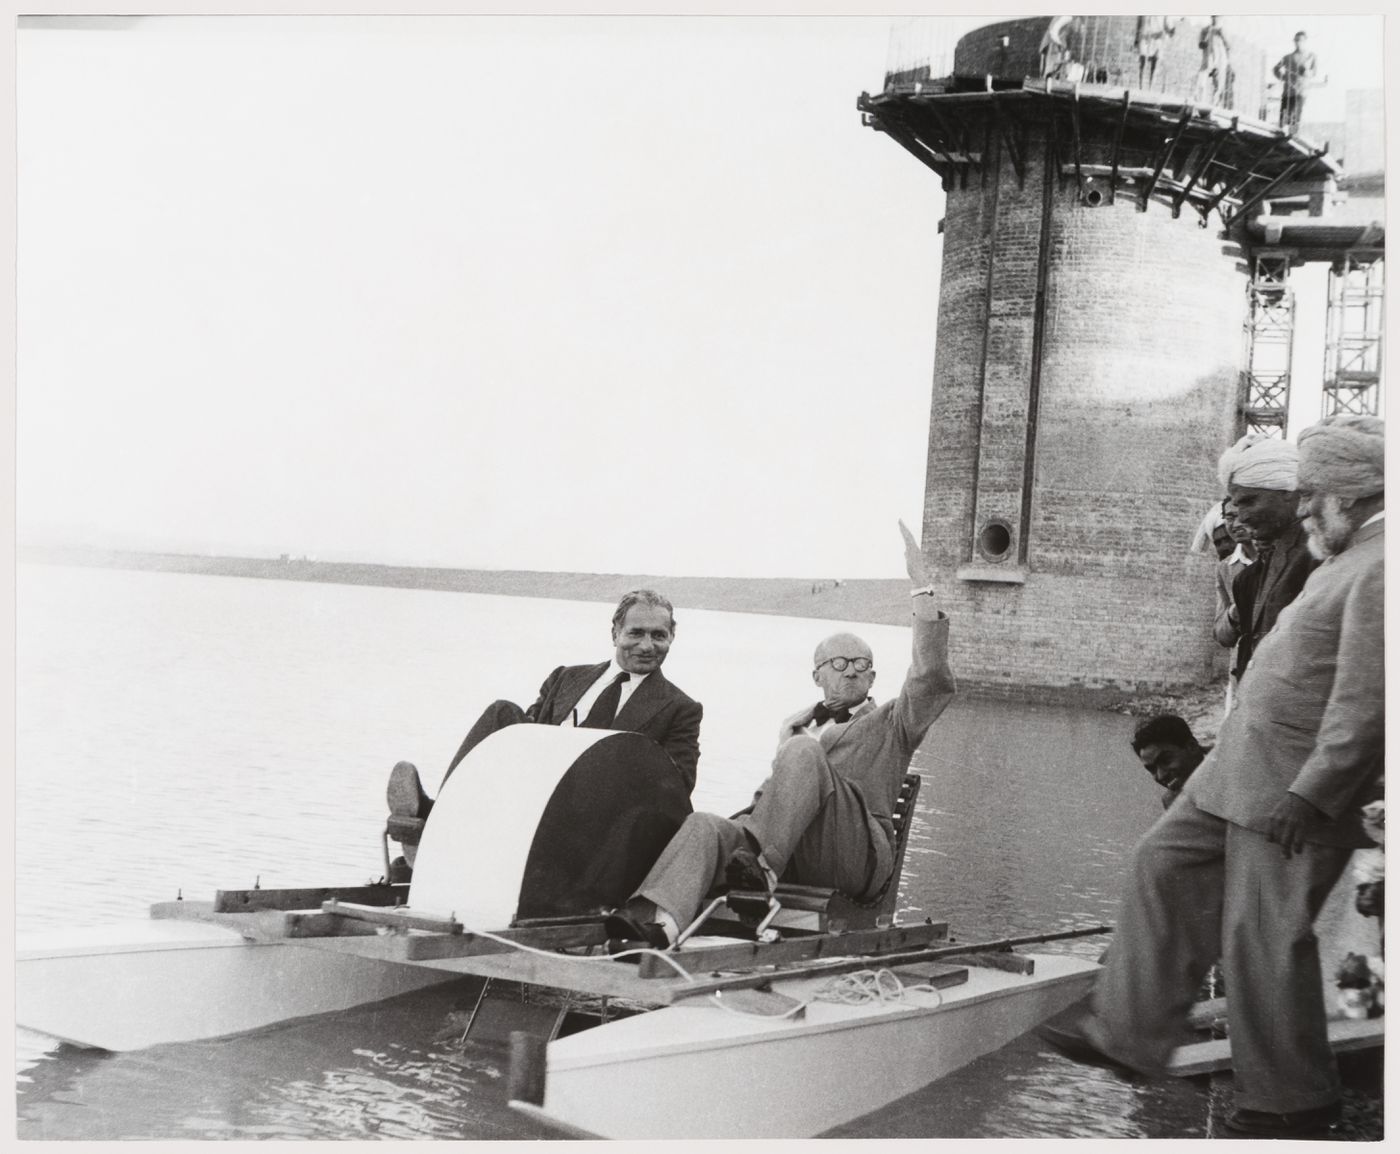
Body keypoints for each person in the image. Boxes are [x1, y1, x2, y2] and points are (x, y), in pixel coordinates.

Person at [1041, 415, 1385, 1139]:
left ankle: (1289, 1103)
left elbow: (1369, 700)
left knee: (1263, 938)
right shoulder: (1349, 556)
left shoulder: (1384, 566)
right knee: (1160, 862)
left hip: (1292, 790)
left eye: (1312, 492)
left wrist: (1314, 793)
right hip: (1238, 771)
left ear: (1350, 494)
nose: (1301, 505)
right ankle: (1130, 1032)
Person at [603, 524, 955, 950]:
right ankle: (654, 926)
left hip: (853, 855)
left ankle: (760, 876)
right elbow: (770, 806)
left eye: (862, 663)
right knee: (704, 825)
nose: (852, 670)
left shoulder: (894, 722)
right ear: (817, 675)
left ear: (874, 675)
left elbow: (931, 680)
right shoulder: (800, 728)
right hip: (792, 853)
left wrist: (923, 592)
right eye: (840, 662)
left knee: (802, 753)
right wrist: (772, 767)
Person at [386, 589, 703, 872]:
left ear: (672, 637)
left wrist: (619, 762)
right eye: (636, 633)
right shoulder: (567, 678)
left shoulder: (680, 708)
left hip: (595, 805)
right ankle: (438, 817)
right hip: (534, 783)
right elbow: (525, 734)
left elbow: (678, 787)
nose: (647, 646)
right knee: (502, 712)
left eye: (658, 636)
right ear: (615, 633)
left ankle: (442, 831)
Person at [1219, 433, 1318, 682]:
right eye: (1236, 506)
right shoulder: (1251, 575)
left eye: (1249, 501)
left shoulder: (1317, 555)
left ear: (1288, 490)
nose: (1241, 517)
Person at [1213, 498, 1256, 713]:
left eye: (1241, 515)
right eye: (1230, 517)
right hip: (1240, 671)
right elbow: (1221, 635)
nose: (1236, 523)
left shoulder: (1279, 559)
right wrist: (1234, 614)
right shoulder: (1226, 568)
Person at [1130, 714, 1208, 810]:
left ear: (1192, 747)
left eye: (1166, 760)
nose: (1161, 776)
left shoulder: (1229, 771)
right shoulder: (1172, 801)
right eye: (1152, 769)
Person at [1274, 31, 1318, 134]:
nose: (1298, 43)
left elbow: (1314, 71)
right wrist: (1283, 77)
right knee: (1283, 118)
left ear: (1305, 41)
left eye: (1301, 40)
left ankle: (1292, 136)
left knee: (1295, 117)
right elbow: (1276, 69)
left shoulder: (1311, 56)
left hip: (1301, 91)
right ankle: (1281, 137)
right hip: (1288, 91)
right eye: (1296, 40)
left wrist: (1308, 72)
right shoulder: (1287, 57)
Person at [1194, 16, 1230, 105]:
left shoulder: (1222, 30)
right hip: (1208, 59)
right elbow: (1200, 45)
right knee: (1201, 81)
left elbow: (1229, 46)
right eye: (1213, 17)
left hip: (1220, 60)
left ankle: (1215, 106)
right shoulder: (1205, 30)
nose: (1215, 19)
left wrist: (1222, 35)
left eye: (1217, 17)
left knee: (1218, 86)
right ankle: (1199, 103)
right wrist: (1203, 42)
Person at [1134, 15, 1175, 89]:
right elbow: (1139, 23)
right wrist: (1136, 39)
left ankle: (1151, 87)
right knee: (1142, 61)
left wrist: (1170, 31)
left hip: (1157, 37)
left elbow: (1168, 26)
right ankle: (1141, 87)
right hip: (1144, 35)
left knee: (1155, 62)